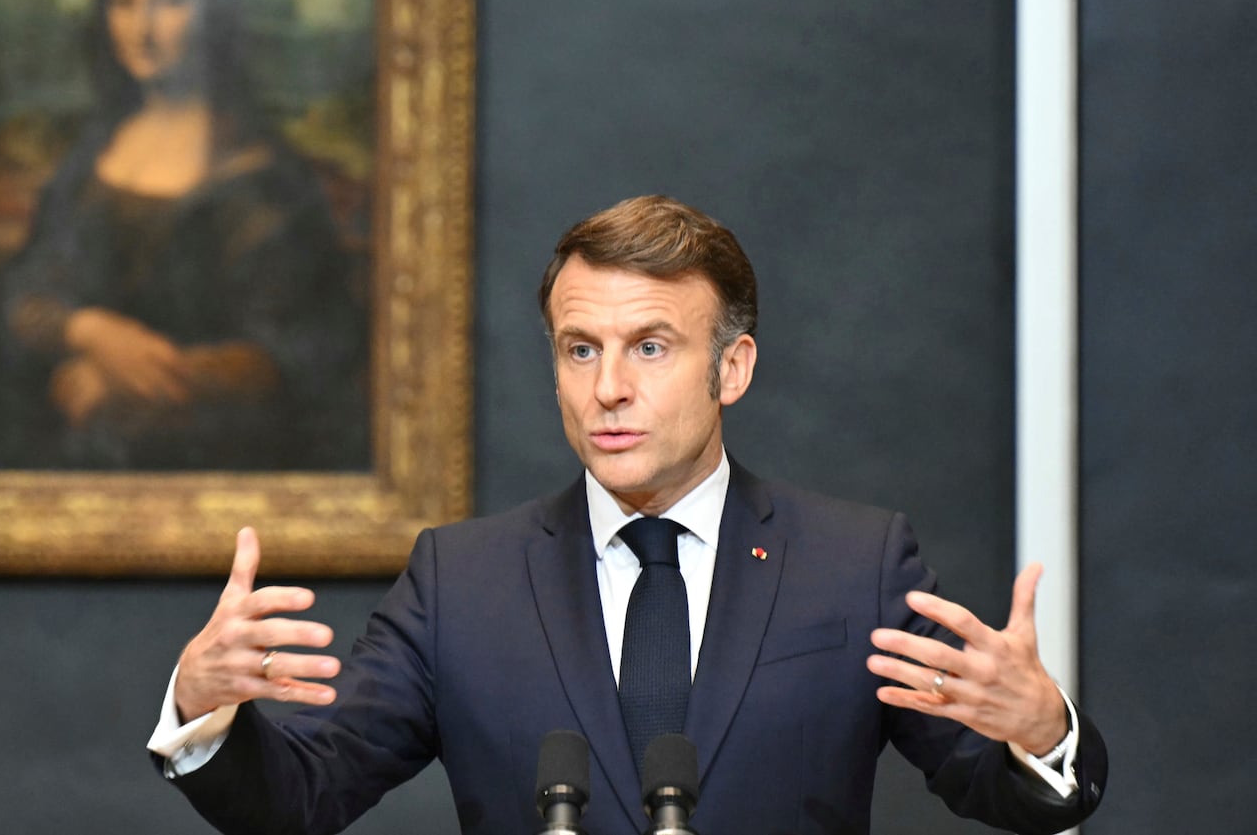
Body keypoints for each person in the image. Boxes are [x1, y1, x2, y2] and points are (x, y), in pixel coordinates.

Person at [147, 195, 1107, 834]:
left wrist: (1039, 729)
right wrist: (203, 711)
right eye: (579, 349)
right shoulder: (461, 582)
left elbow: (1000, 789)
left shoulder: (856, 565)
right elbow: (301, 795)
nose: (607, 387)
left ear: (731, 367)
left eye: (650, 347)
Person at [0, 0, 366, 472]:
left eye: (169, 1)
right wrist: (90, 332)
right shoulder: (91, 157)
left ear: (214, 13)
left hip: (221, 467)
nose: (142, 28)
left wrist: (132, 381)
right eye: (123, 3)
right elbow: (23, 294)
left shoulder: (265, 181)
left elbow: (300, 354)